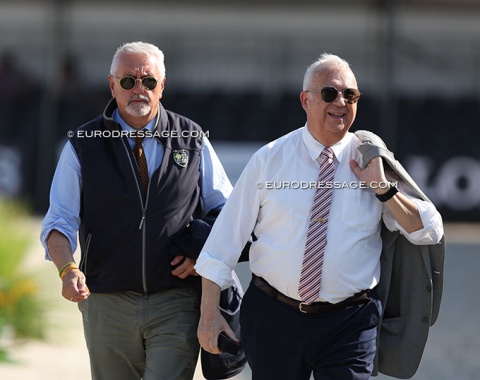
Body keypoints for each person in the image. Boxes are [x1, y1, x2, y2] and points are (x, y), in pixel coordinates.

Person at [195, 53, 444, 380]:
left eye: (350, 95)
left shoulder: (372, 161)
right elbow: (223, 241)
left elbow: (429, 230)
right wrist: (209, 314)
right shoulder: (269, 160)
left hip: (350, 323)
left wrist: (383, 189)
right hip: (273, 317)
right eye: (329, 93)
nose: (340, 101)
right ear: (305, 100)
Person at [40, 41, 232, 380]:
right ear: (112, 85)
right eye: (128, 81)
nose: (138, 89)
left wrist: (200, 253)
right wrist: (67, 269)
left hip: (175, 302)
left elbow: (226, 212)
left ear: (163, 86)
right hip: (105, 304)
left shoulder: (192, 138)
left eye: (149, 81)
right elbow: (59, 220)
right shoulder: (83, 144)